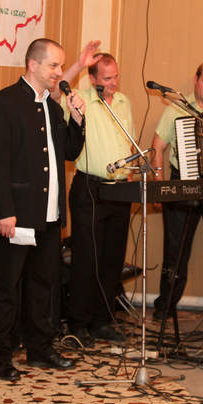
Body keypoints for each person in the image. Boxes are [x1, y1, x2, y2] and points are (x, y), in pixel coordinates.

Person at [0, 38, 85, 381]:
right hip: (17, 215)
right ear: (33, 64)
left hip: (49, 215)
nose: (59, 72)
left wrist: (77, 119)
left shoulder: (52, 107)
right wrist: (4, 210)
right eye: (54, 65)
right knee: (6, 288)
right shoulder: (3, 103)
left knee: (42, 286)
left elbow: (69, 152)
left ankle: (39, 349)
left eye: (61, 65)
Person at [150, 62, 203, 320]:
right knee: (175, 249)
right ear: (195, 79)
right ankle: (166, 306)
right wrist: (158, 183)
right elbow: (157, 146)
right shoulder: (177, 108)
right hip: (182, 183)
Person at [66, 53, 134, 347]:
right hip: (90, 187)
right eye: (107, 78)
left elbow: (127, 141)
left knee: (112, 260)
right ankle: (78, 323)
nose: (114, 82)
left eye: (116, 76)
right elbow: (55, 89)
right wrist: (78, 64)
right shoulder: (79, 98)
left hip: (120, 189)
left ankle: (102, 320)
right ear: (92, 79)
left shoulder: (124, 102)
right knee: (87, 258)